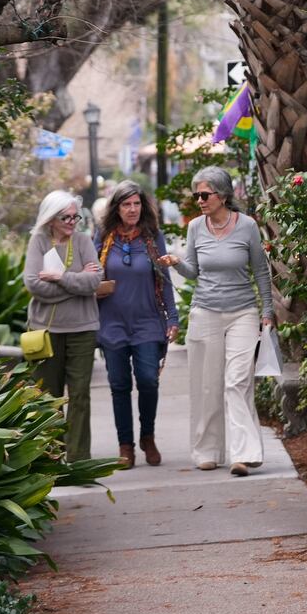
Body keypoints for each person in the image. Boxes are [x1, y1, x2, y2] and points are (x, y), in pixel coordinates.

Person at [158, 165, 274, 476]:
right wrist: (176, 264)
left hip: (242, 313)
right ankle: (207, 451)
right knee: (206, 386)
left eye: (204, 194)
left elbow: (261, 271)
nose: (199, 199)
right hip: (205, 311)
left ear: (222, 195)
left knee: (237, 382)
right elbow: (194, 272)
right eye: (196, 194)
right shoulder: (195, 227)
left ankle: (244, 454)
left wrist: (267, 311)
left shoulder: (247, 226)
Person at [95, 181, 179, 470]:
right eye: (126, 204)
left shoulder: (152, 237)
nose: (132, 210)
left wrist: (172, 317)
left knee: (148, 380)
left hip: (147, 321)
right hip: (112, 323)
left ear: (143, 206)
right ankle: (125, 445)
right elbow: (92, 274)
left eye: (136, 204)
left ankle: (148, 436)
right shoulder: (104, 237)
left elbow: (164, 277)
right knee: (119, 385)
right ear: (116, 208)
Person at [23, 190, 109, 463]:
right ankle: (50, 457)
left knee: (80, 394)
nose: (73, 222)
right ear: (51, 219)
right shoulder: (38, 241)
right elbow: (34, 286)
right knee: (49, 396)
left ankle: (79, 457)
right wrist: (76, 284)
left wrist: (60, 277)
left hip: (83, 329)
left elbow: (96, 281)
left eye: (76, 217)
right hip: (46, 332)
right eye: (66, 217)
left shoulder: (83, 241)